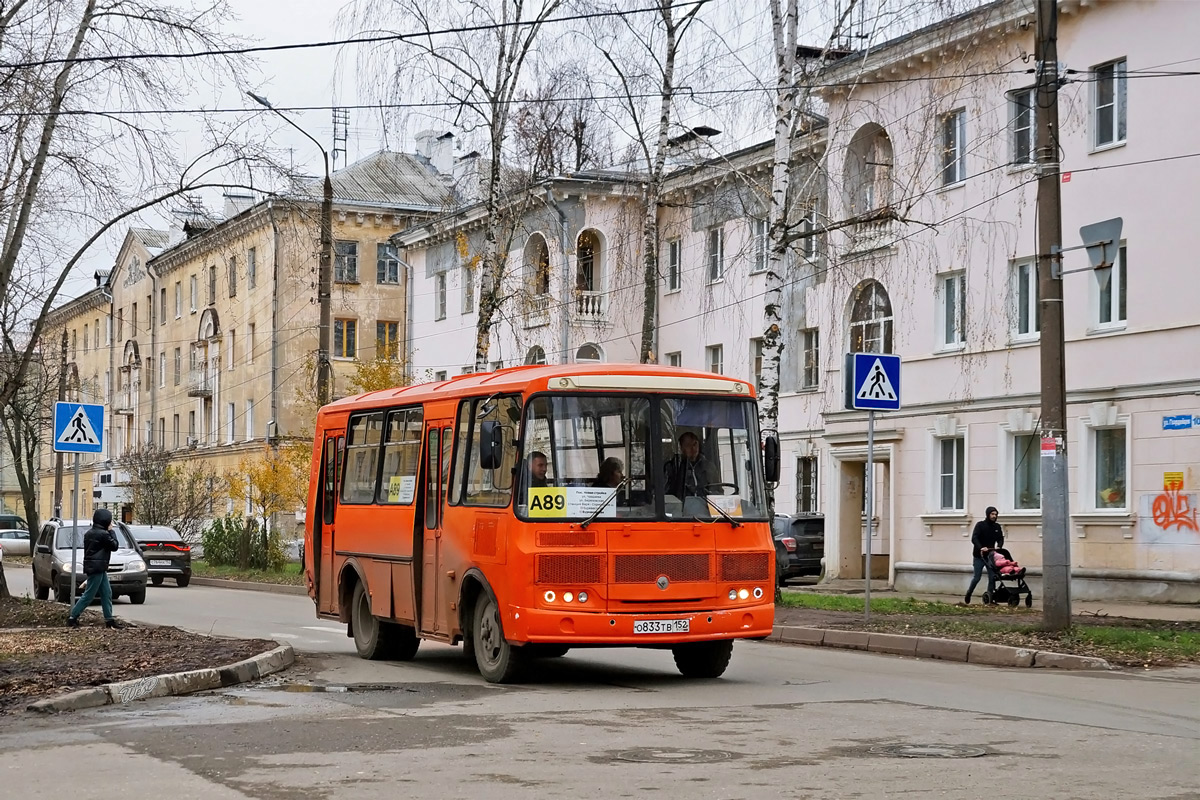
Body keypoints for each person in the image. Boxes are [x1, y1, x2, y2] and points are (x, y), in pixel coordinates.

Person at [67, 509, 122, 629]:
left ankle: (109, 619)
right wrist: (112, 531)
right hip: (97, 567)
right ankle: (73, 617)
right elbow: (115, 546)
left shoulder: (90, 533)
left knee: (107, 593)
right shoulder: (103, 534)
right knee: (89, 594)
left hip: (96, 566)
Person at [964, 506, 1004, 605]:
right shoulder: (980, 525)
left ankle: (990, 598)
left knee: (992, 576)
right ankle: (969, 593)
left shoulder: (997, 527)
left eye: (995, 514)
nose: (994, 516)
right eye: (992, 514)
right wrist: (981, 547)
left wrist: (999, 546)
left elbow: (1000, 538)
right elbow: (974, 538)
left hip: (990, 556)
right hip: (979, 556)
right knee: (977, 577)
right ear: (988, 514)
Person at [665, 431, 719, 498]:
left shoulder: (709, 467)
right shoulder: (674, 467)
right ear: (681, 448)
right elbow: (666, 494)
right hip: (682, 507)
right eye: (688, 445)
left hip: (706, 506)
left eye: (695, 444)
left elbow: (718, 491)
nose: (693, 448)